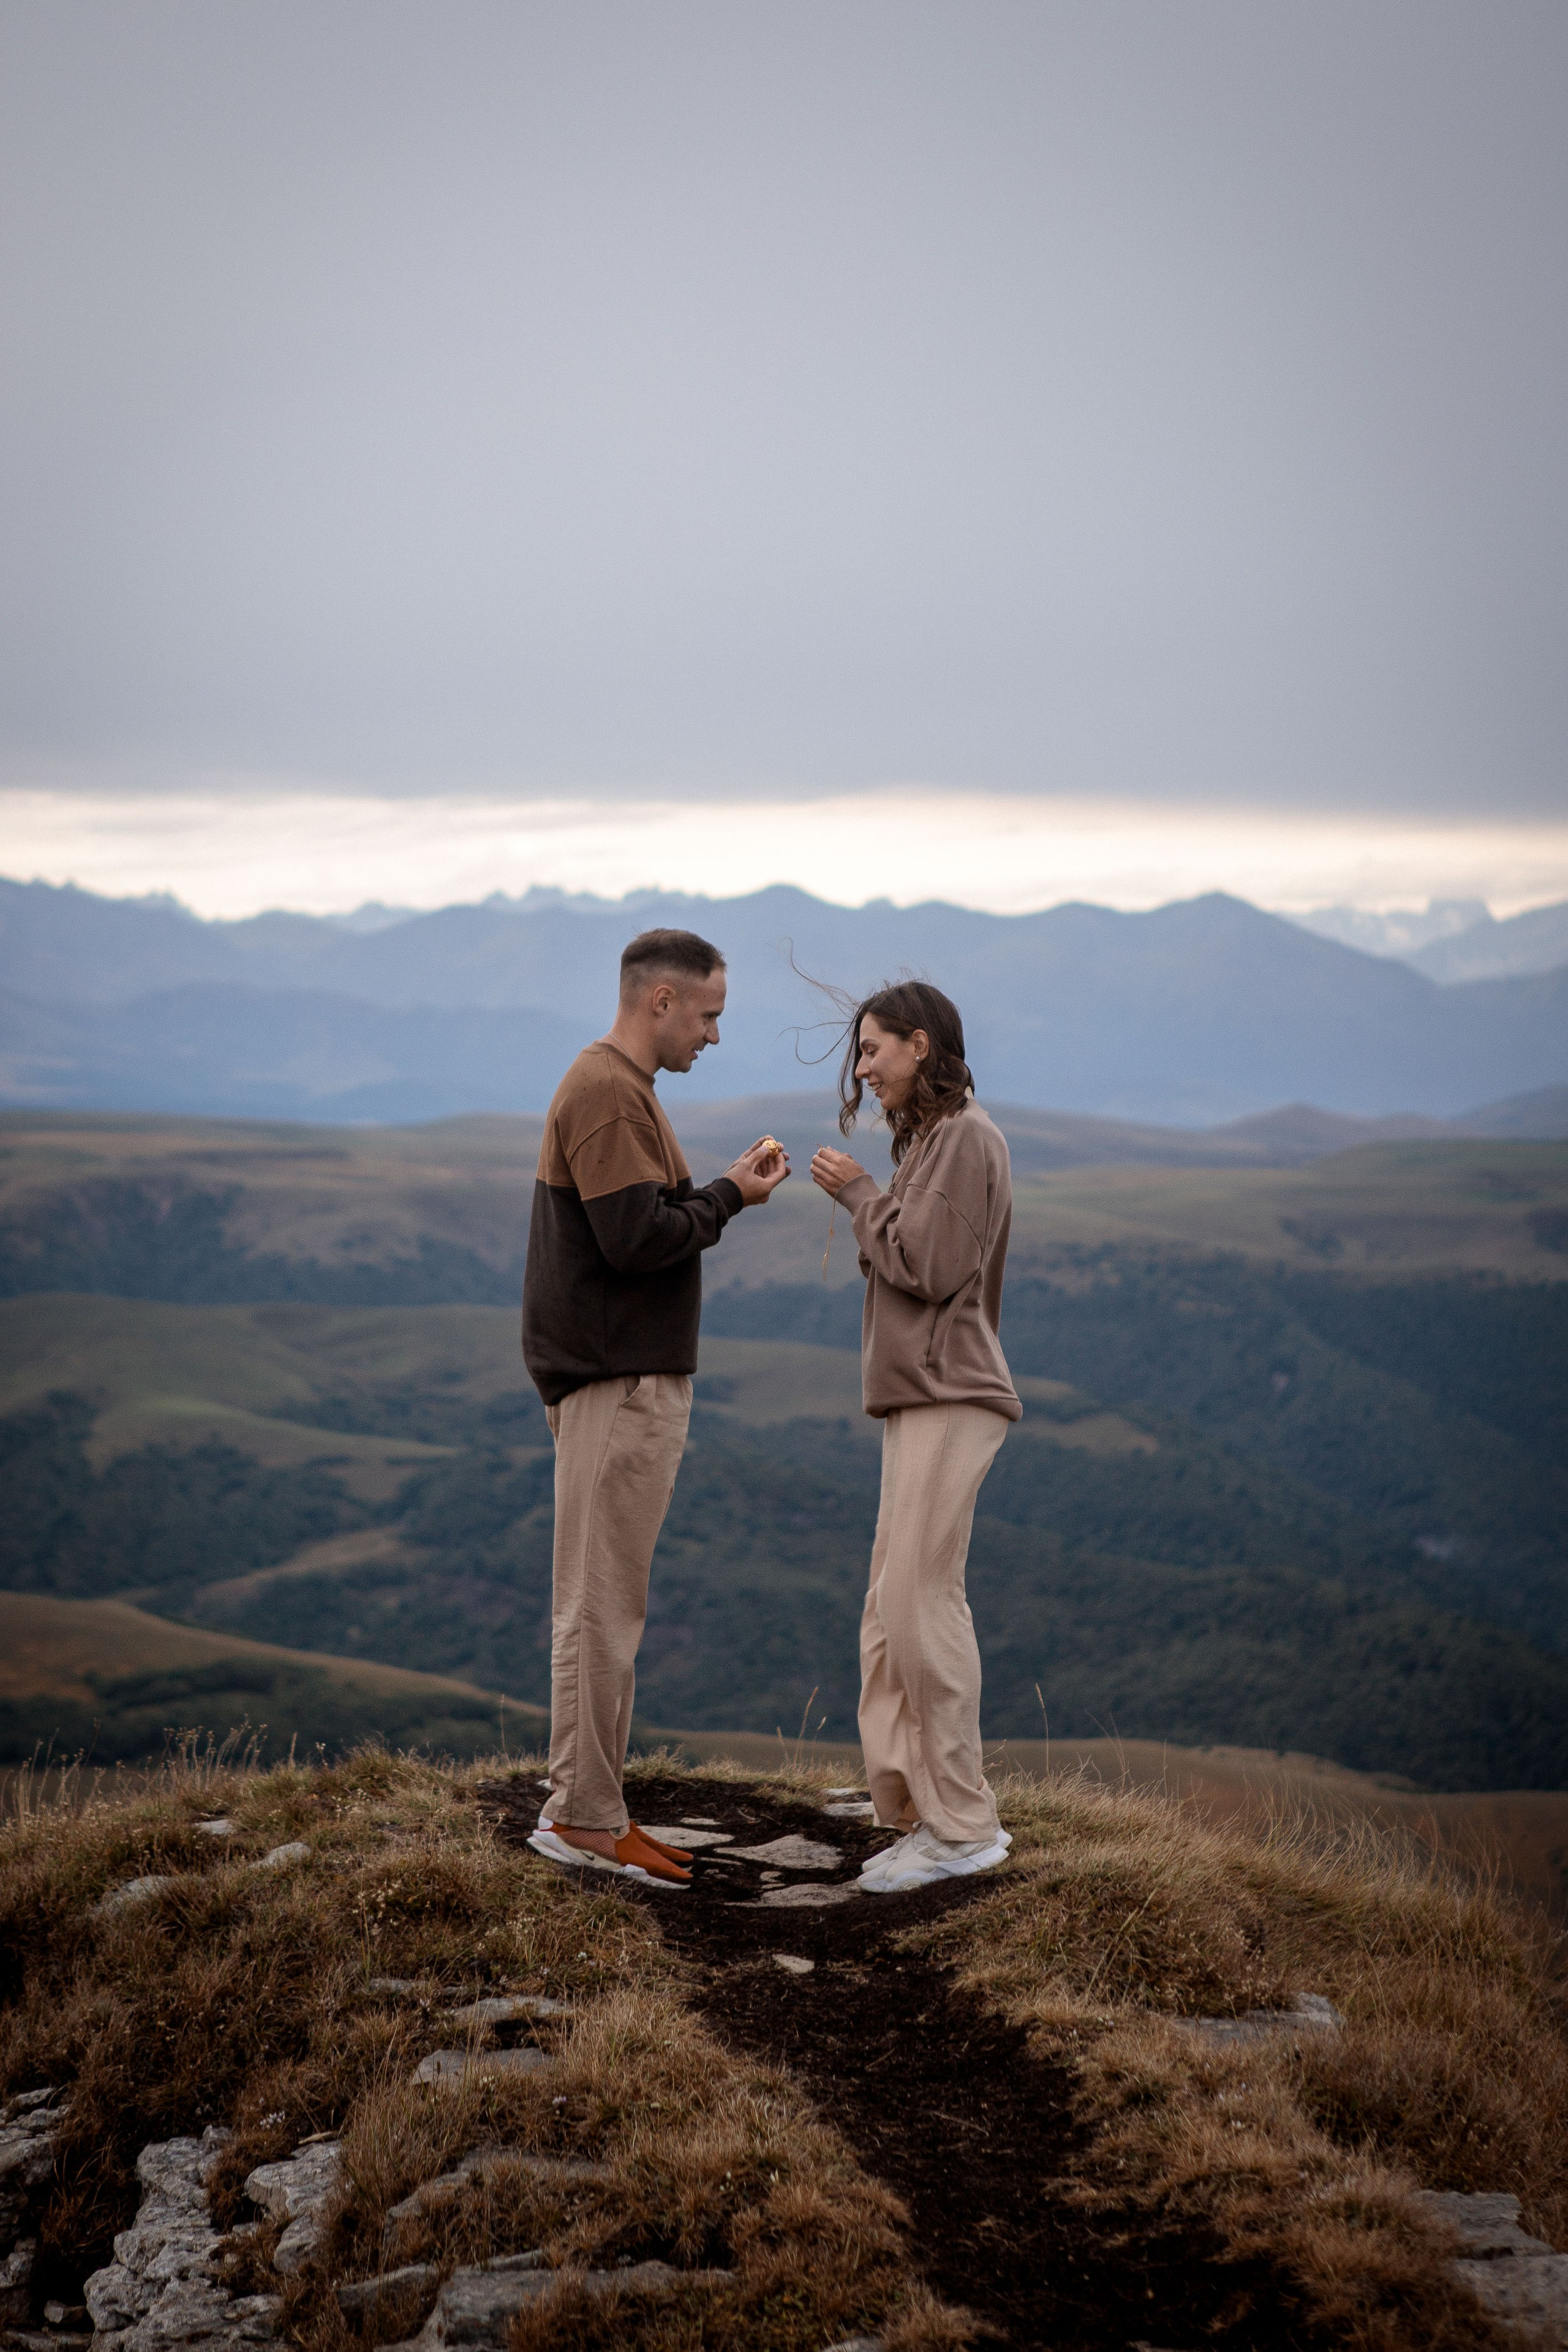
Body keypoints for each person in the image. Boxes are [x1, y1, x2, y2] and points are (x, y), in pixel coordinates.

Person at [522, 927, 790, 1887]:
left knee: (598, 1602)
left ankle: (586, 1808)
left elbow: (639, 1227)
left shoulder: (624, 1092)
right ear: (661, 1000)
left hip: (620, 1376)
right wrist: (729, 1197)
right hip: (615, 1381)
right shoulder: (605, 1092)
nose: (713, 1036)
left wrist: (720, 1194)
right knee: (601, 1607)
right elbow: (637, 1240)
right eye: (709, 1014)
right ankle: (585, 1820)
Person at [810, 980, 1020, 1894]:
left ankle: (964, 1826)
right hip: (920, 1395)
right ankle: (909, 1806)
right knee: (891, 1606)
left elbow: (929, 1267)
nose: (863, 1069)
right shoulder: (938, 1139)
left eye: (872, 1049)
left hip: (948, 1392)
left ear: (921, 1045)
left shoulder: (966, 1138)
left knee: (923, 1603)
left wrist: (859, 1194)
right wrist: (873, 1199)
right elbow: (912, 1251)